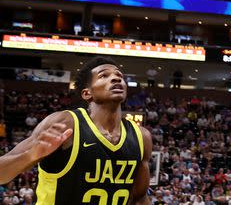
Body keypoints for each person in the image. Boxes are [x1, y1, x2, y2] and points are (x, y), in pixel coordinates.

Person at [0, 56, 153, 204]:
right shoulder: (66, 123)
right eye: (103, 76)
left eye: (119, 75)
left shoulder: (141, 137)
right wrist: (30, 155)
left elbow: (139, 198)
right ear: (87, 93)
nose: (116, 78)